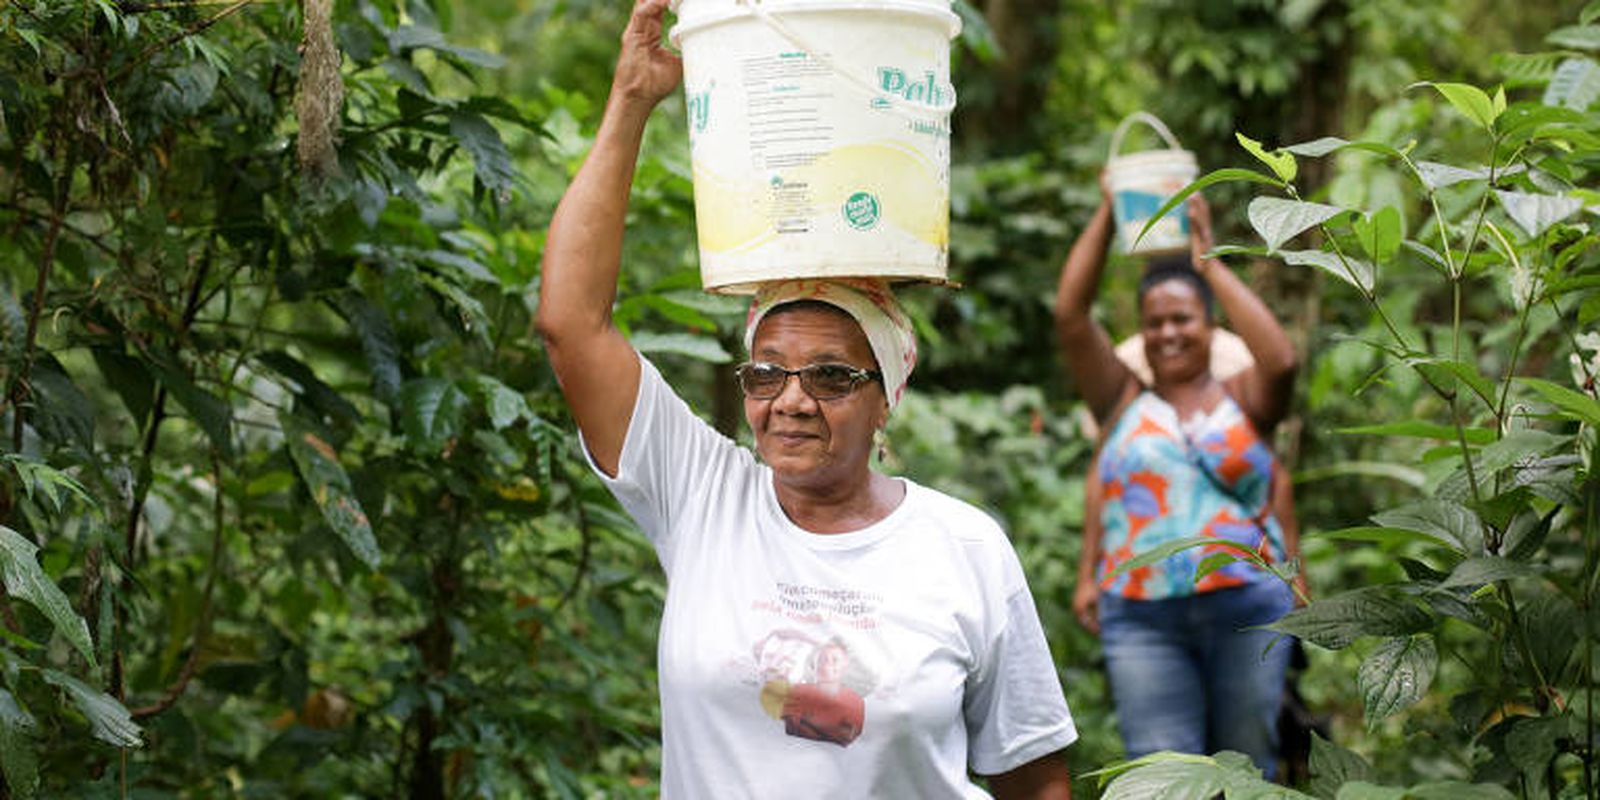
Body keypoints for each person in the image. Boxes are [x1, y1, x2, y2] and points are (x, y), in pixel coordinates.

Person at [535, 1, 1078, 796]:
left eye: (831, 376)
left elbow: (1035, 780)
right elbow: (570, 325)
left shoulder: (964, 551)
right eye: (766, 374)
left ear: (886, 397)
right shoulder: (702, 497)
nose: (791, 400)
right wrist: (631, 100)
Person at [1053, 176, 1303, 778]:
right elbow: (1069, 315)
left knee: (1245, 769)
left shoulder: (1243, 399)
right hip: (1142, 615)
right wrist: (1109, 211)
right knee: (1162, 775)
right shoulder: (1121, 400)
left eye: (1183, 318)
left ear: (1210, 324)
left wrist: (1209, 264)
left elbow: (1284, 360)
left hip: (1246, 602)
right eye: (1156, 321)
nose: (1168, 332)